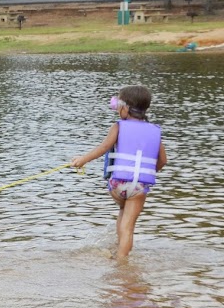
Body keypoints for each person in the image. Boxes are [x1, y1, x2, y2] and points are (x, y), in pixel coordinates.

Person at [70, 85, 168, 260]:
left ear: (125, 108)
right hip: (138, 187)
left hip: (117, 185)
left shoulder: (118, 126)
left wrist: (82, 160)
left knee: (123, 209)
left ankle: (117, 250)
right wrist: (144, 173)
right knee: (128, 227)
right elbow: (163, 161)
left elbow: (104, 147)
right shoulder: (154, 131)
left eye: (117, 105)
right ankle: (122, 263)